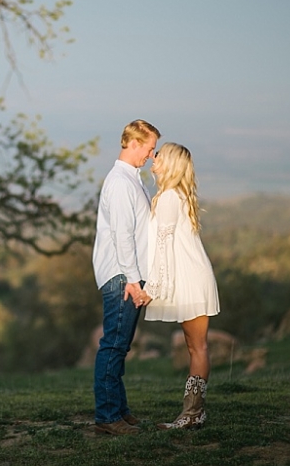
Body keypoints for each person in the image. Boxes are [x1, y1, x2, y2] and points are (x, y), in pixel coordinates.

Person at [144, 142, 220, 430]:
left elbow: (163, 248)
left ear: (171, 162)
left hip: (190, 279)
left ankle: (193, 414)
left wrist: (152, 288)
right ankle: (195, 413)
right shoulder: (175, 195)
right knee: (195, 346)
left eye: (159, 154)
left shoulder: (168, 198)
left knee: (197, 346)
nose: (154, 156)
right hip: (191, 276)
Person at [92, 119, 161, 435]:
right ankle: (108, 417)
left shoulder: (132, 179)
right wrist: (133, 281)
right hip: (122, 276)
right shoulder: (120, 182)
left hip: (128, 274)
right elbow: (122, 236)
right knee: (113, 345)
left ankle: (119, 409)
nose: (151, 155)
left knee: (121, 345)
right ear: (134, 143)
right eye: (149, 148)